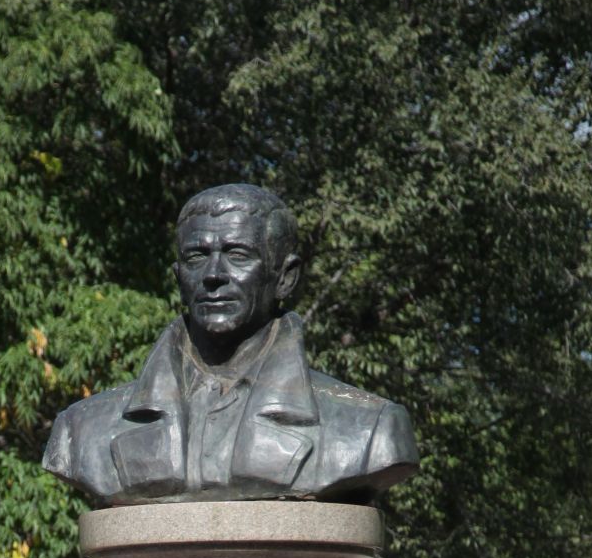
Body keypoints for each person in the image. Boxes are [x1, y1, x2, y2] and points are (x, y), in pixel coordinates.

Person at [43, 182, 418, 506]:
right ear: (178, 277)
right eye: (196, 257)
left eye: (238, 255)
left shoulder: (369, 430)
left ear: (285, 277)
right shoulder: (82, 430)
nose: (214, 275)